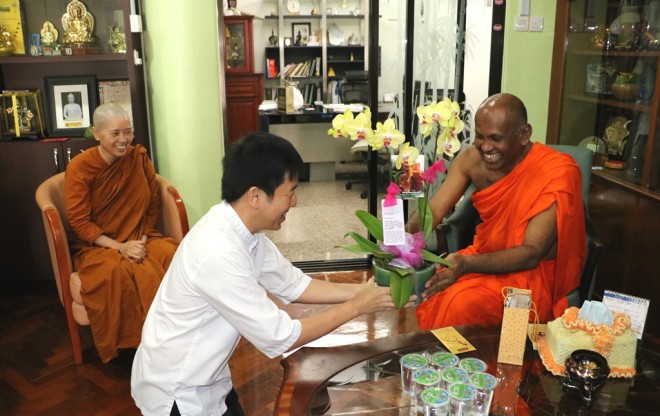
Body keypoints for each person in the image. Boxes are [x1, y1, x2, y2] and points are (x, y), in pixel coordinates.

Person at [131, 132, 398, 416]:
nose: (294, 202)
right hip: (178, 392)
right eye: (290, 192)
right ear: (256, 196)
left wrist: (370, 292)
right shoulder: (217, 252)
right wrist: (357, 307)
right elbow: (280, 335)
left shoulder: (243, 229)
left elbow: (295, 285)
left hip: (209, 377)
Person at [409, 93, 586, 330]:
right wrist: (404, 237)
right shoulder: (471, 160)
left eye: (496, 138)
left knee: (460, 304)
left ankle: (485, 367)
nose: (486, 147)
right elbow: (434, 210)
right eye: (479, 136)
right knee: (431, 287)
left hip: (528, 276)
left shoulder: (556, 172)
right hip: (483, 257)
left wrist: (466, 264)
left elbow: (531, 253)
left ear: (524, 135)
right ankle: (439, 363)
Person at [64, 103, 179, 363]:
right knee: (118, 272)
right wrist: (121, 247)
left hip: (141, 236)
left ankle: (177, 336)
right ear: (96, 133)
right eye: (115, 133)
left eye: (128, 132)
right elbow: (80, 223)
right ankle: (137, 344)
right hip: (99, 245)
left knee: (171, 255)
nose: (123, 140)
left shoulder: (138, 158)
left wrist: (141, 239)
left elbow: (152, 206)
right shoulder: (80, 168)